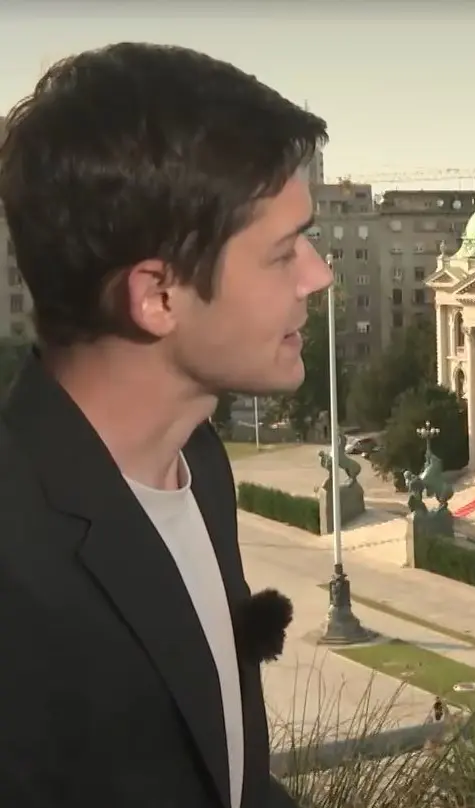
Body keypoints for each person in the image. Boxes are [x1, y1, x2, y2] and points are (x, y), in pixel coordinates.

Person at [0, 43, 331, 807]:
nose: (319, 275)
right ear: (156, 297)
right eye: (284, 252)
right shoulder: (14, 574)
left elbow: (225, 780)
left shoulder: (199, 462)